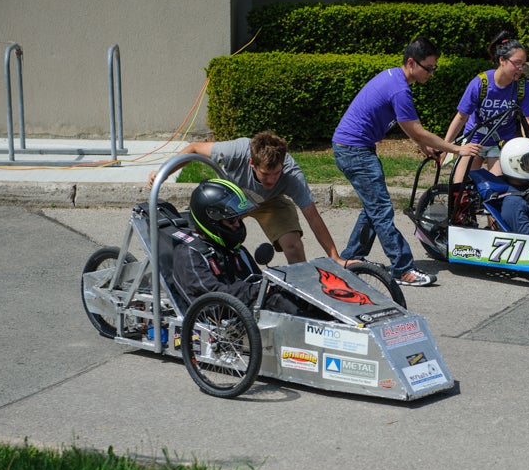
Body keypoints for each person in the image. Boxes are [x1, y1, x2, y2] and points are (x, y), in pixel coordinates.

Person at [332, 35, 482, 287]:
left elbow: (409, 128)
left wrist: (422, 146)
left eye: (434, 68)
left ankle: (351, 259)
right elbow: (418, 129)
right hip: (354, 151)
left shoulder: (393, 78)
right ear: (412, 63)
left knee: (373, 208)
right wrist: (457, 149)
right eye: (429, 68)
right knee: (381, 210)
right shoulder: (400, 89)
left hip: (352, 148)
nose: (431, 73)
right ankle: (402, 269)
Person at [149, 131, 345, 266]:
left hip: (271, 202)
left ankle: (302, 296)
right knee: (210, 241)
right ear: (252, 163)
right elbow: (193, 149)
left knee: (293, 244)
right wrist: (162, 173)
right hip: (232, 198)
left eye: (276, 173)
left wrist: (334, 257)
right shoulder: (236, 150)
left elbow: (313, 216)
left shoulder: (291, 175)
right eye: (265, 174)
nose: (272, 179)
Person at [171, 178, 301, 314]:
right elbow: (212, 297)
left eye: (239, 218)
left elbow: (256, 280)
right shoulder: (189, 254)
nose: (238, 225)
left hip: (249, 310)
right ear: (211, 221)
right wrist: (258, 290)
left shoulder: (236, 250)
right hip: (225, 320)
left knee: (296, 297)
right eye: (232, 220)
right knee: (280, 302)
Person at [442, 32, 529, 184]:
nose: (521, 68)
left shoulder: (522, 87)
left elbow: (526, 120)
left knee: (494, 187)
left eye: (523, 64)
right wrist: (446, 146)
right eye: (517, 63)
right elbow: (461, 117)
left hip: (501, 142)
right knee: (459, 186)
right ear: (502, 60)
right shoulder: (481, 83)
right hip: (475, 140)